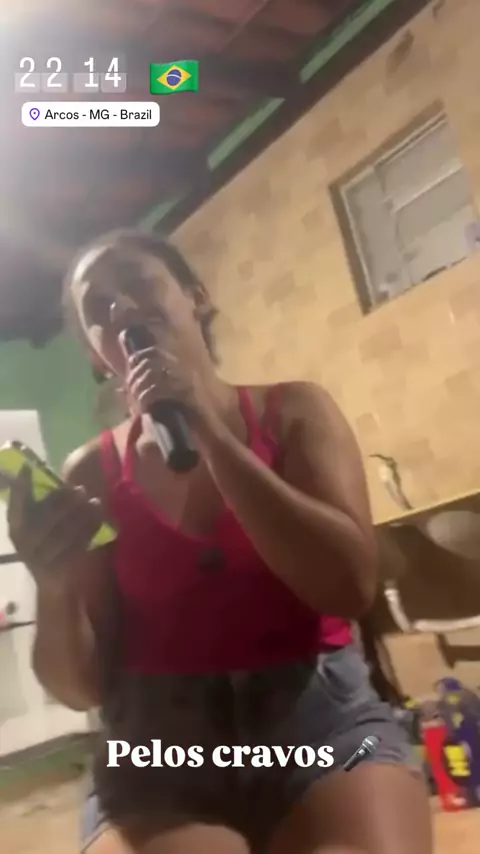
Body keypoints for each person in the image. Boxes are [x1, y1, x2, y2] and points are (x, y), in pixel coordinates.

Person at [6, 229, 432, 854]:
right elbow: (81, 690)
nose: (120, 306)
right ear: (98, 355)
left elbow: (349, 587)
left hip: (317, 722)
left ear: (196, 297)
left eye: (138, 282)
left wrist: (208, 431)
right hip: (157, 749)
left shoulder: (296, 412)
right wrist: (53, 587)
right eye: (98, 307)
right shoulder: (91, 474)